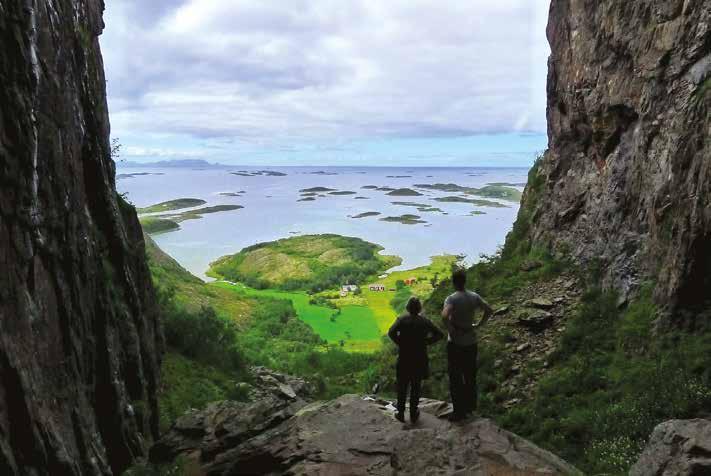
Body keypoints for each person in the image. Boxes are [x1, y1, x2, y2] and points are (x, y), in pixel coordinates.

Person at [441, 269, 493, 421]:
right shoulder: (474, 296)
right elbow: (489, 310)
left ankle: (459, 412)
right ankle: (470, 407)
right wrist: (479, 324)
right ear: (465, 281)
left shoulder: (451, 299)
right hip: (471, 341)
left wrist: (451, 329)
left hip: (455, 343)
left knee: (455, 377)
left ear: (454, 282)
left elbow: (444, 316)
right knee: (470, 375)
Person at [388, 296, 444, 423]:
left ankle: (401, 413)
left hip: (404, 357)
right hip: (419, 357)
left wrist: (400, 342)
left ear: (408, 308)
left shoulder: (402, 320)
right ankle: (413, 413)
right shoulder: (425, 321)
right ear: (419, 308)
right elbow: (439, 334)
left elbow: (391, 332)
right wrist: (426, 342)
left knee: (402, 385)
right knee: (416, 386)